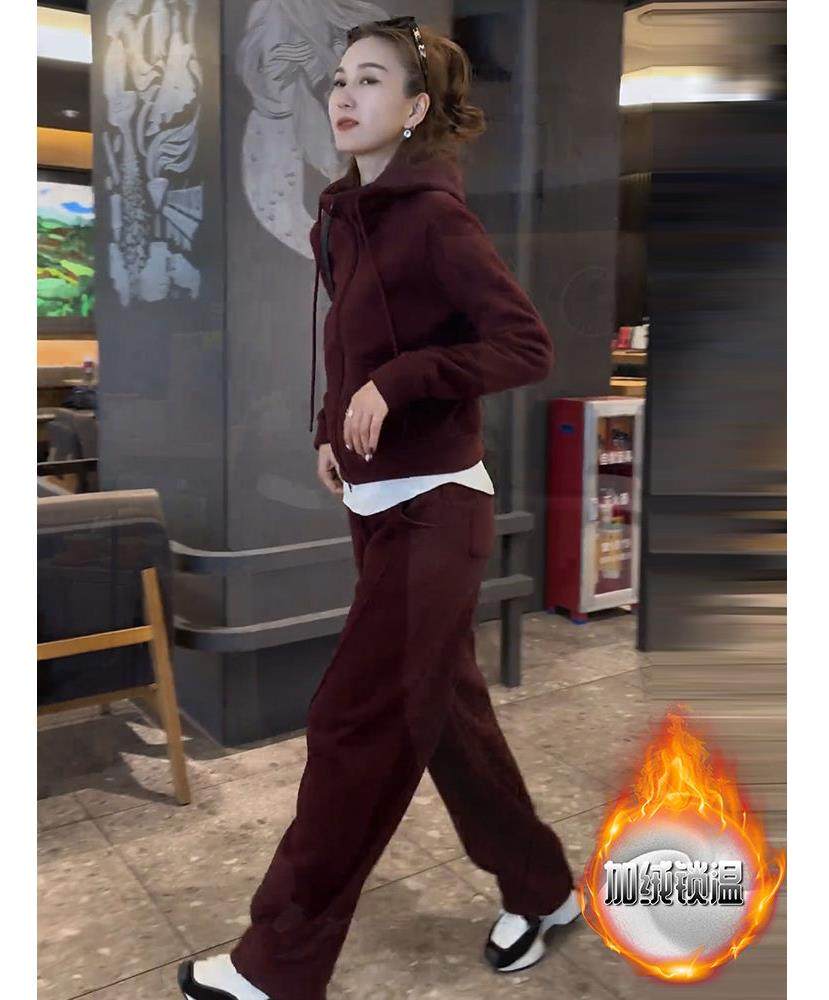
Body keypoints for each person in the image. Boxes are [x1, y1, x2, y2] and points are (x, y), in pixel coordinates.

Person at [179, 16, 579, 1000]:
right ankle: (543, 889)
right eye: (338, 79)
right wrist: (333, 425)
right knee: (449, 721)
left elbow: (524, 346)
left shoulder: (437, 219)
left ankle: (279, 964)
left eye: (370, 80)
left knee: (354, 722)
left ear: (415, 107)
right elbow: (348, 344)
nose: (344, 95)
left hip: (437, 507)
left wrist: (401, 382)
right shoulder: (343, 217)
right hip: (377, 502)